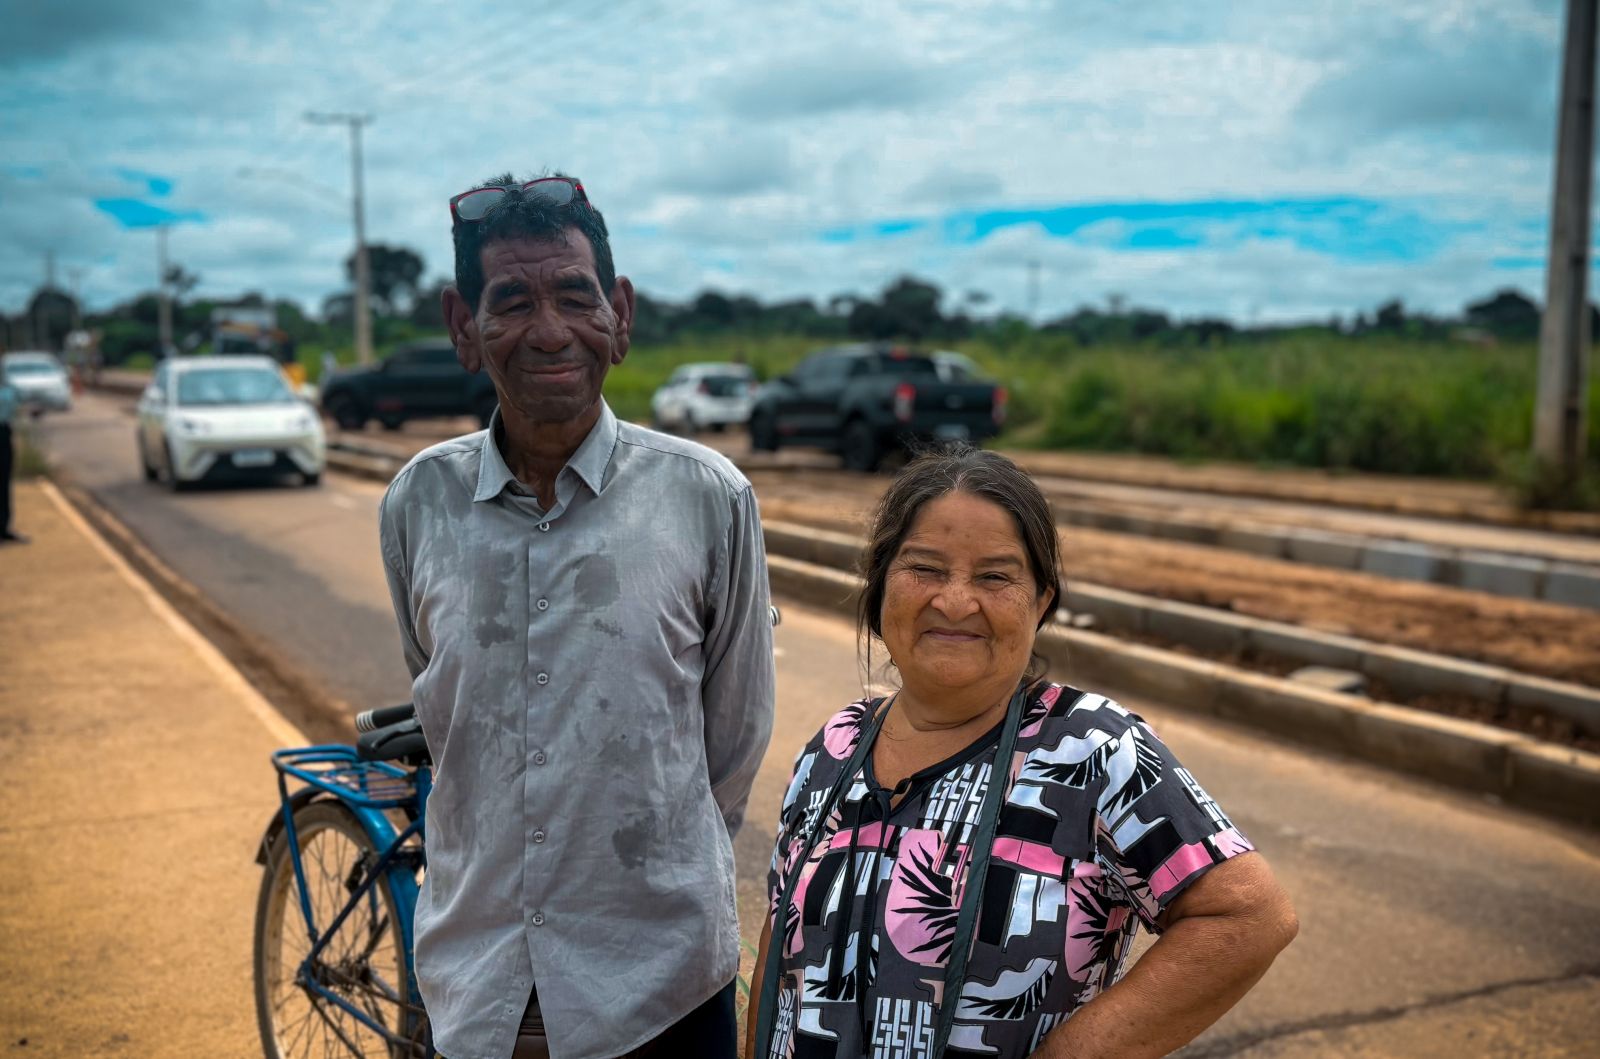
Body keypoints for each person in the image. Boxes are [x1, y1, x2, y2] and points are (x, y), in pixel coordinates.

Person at [379, 173, 775, 1059]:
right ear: (463, 327)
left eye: (575, 295)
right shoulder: (418, 504)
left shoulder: (708, 499)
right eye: (511, 300)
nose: (550, 330)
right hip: (477, 990)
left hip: (661, 992)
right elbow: (445, 708)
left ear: (620, 313)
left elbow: (735, 740)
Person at [749, 446, 1296, 1059]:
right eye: (925, 568)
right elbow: (780, 938)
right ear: (880, 590)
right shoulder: (837, 744)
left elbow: (1248, 918)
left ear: (1041, 603)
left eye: (995, 577)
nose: (955, 602)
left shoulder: (1093, 748)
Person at [0, 367, 26, 545]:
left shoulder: (8, 385)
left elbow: (18, 405)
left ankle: (3, 527)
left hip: (3, 432)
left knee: (3, 481)